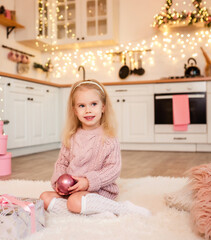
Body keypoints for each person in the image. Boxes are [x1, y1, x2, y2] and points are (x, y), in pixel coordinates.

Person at [40, 79, 151, 217]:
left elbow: (113, 169)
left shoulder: (108, 138)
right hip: (72, 190)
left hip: (98, 191)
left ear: (103, 107)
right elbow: (62, 162)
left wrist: (88, 182)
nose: (88, 110)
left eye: (93, 104)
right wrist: (59, 181)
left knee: (74, 202)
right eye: (82, 105)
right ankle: (93, 214)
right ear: (74, 110)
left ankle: (120, 208)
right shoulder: (71, 136)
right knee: (44, 198)